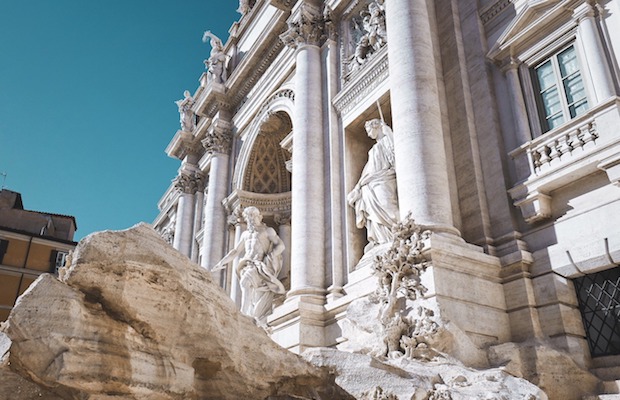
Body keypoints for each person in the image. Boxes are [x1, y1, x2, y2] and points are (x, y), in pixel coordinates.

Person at [213, 207, 286, 324]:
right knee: (251, 291)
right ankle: (250, 315)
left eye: (254, 216)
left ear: (260, 217)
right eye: (248, 217)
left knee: (245, 283)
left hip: (259, 265)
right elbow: (235, 251)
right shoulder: (245, 234)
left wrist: (271, 256)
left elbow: (281, 245)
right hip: (247, 264)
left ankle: (243, 315)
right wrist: (221, 262)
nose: (252, 219)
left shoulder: (267, 231)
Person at [347, 119, 399, 252]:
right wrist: (359, 186)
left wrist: (388, 132)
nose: (368, 134)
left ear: (376, 127)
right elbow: (367, 170)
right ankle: (381, 239)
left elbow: (396, 153)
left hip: (384, 179)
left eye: (369, 130)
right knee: (372, 211)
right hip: (372, 183)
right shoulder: (374, 149)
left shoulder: (386, 141)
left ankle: (397, 232)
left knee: (387, 205)